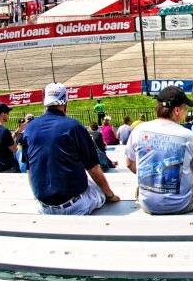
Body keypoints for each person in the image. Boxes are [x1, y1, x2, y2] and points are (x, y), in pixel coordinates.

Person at [23, 82, 120, 215]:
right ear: (65, 105)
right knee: (97, 187)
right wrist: (110, 195)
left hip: (44, 205)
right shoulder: (74, 127)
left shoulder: (29, 128)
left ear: (44, 104)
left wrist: (37, 196)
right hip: (75, 205)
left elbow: (29, 169)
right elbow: (93, 168)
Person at [126, 86, 193, 215]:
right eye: (185, 109)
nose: (186, 112)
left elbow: (129, 164)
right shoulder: (188, 136)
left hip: (147, 203)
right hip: (182, 204)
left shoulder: (138, 130)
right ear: (176, 110)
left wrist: (153, 180)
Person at [0, 102, 21, 173]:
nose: (8, 115)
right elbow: (15, 149)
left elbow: (4, 141)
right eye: (7, 113)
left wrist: (17, 130)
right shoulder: (4, 131)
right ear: (2, 114)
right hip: (7, 167)